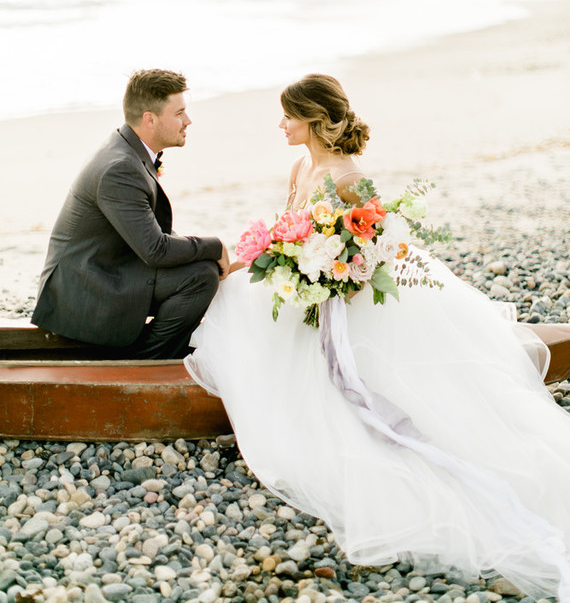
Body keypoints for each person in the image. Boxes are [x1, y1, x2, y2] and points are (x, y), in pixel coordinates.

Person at [185, 73, 570, 601]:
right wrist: (281, 259)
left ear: (315, 120)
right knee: (235, 300)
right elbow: (288, 226)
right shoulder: (301, 165)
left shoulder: (349, 179)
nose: (280, 125)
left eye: (288, 117)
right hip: (306, 281)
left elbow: (378, 247)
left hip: (344, 293)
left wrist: (329, 271)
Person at [32, 69, 229, 358]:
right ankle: (147, 361)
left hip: (107, 267)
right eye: (180, 113)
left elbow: (153, 236)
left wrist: (201, 250)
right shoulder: (120, 168)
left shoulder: (128, 149)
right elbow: (156, 250)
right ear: (150, 118)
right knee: (201, 275)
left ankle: (154, 349)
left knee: (199, 267)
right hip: (85, 291)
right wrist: (215, 245)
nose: (188, 121)